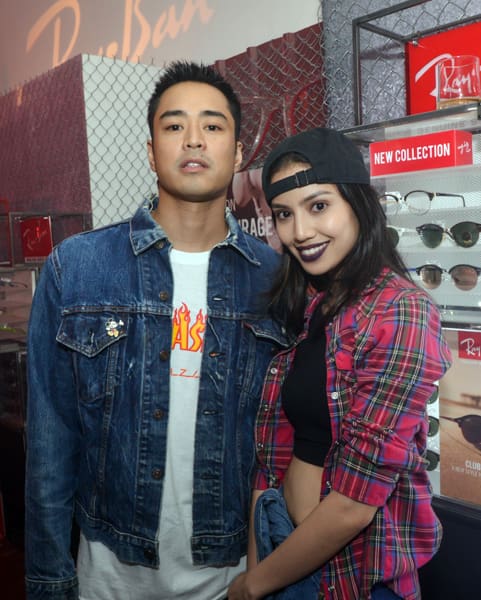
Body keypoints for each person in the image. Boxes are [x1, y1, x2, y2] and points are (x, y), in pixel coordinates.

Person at [24, 60, 287, 600]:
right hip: (109, 578)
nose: (194, 139)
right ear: (150, 151)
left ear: (239, 152)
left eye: (212, 125)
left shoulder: (277, 280)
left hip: (231, 577)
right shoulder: (77, 268)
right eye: (174, 125)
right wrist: (49, 581)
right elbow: (50, 444)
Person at [228, 127, 452, 600]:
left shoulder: (402, 312)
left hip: (353, 577)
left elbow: (354, 504)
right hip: (281, 551)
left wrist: (251, 586)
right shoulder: (311, 304)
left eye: (318, 206)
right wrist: (259, 566)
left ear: (357, 203)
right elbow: (271, 458)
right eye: (284, 214)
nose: (300, 232)